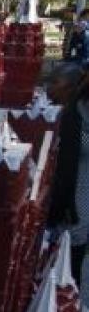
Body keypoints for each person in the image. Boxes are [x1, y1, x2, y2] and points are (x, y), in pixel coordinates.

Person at [48, 63, 89, 283]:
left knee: (69, 267)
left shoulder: (75, 114)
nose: (49, 87)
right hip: (69, 203)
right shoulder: (72, 112)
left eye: (55, 82)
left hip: (77, 204)